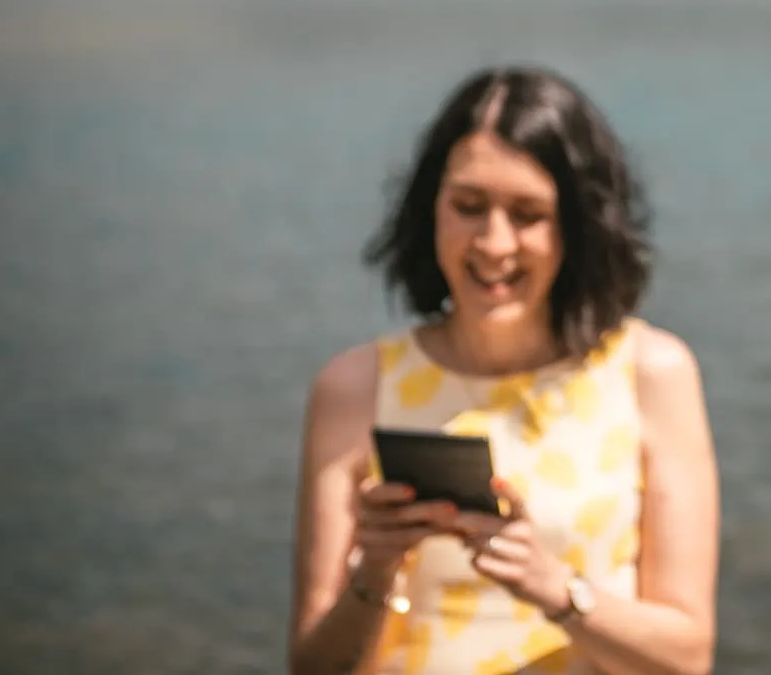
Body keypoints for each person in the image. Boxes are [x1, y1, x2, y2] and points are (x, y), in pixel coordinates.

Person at [291, 68, 719, 675]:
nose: (494, 243)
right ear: (430, 211)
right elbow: (311, 667)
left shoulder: (652, 374)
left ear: (578, 225)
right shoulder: (353, 388)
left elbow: (688, 657)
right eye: (469, 206)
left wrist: (557, 591)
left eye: (528, 214)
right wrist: (375, 570)